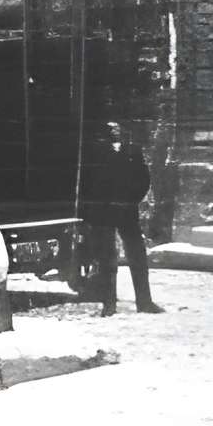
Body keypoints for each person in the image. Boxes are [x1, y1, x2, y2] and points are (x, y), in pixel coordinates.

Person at [79, 122, 163, 316]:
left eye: (117, 128)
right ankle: (109, 304)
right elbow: (87, 182)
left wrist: (131, 200)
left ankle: (144, 302)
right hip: (104, 212)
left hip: (127, 210)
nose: (114, 131)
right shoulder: (94, 152)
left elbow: (144, 179)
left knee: (137, 256)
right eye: (110, 129)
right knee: (107, 259)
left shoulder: (133, 151)